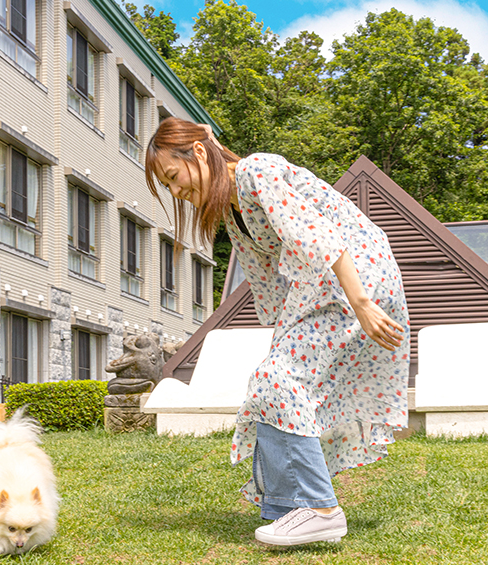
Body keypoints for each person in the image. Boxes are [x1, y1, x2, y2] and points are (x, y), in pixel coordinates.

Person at [143, 117, 410, 547]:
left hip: (353, 274)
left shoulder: (257, 171)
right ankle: (286, 508)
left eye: (173, 178)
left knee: (276, 378)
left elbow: (318, 237)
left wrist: (361, 303)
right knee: (269, 381)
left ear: (195, 155)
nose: (176, 193)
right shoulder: (232, 207)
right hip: (320, 284)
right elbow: (273, 281)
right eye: (168, 187)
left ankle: (320, 510)